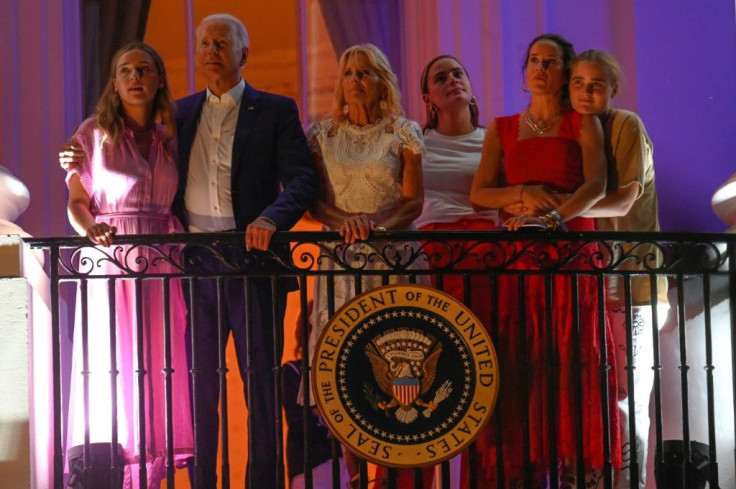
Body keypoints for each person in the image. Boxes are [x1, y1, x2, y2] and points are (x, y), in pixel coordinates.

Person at [173, 13, 317, 489]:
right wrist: (76, 158)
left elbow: (301, 178)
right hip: (197, 264)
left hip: (255, 261)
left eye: (223, 43)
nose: (213, 50)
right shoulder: (177, 113)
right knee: (200, 382)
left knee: (260, 380)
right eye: (206, 43)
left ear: (243, 54)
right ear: (197, 53)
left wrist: (270, 218)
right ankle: (202, 483)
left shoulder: (275, 109)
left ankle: (263, 483)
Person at [470, 34, 619, 488]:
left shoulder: (582, 123)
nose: (539, 68)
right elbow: (479, 194)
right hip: (518, 255)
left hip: (570, 247)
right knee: (523, 355)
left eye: (549, 62)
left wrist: (554, 215)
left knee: (572, 350)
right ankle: (528, 469)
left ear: (565, 72)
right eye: (533, 61)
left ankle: (578, 469)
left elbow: (595, 185)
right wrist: (520, 195)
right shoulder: (502, 127)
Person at [64, 42, 193, 489]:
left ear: (158, 80)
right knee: (113, 363)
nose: (135, 76)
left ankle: (154, 473)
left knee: (159, 364)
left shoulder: (170, 138)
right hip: (111, 259)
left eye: (144, 69)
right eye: (125, 70)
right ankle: (114, 472)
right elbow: (77, 204)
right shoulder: (91, 135)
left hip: (160, 260)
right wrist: (89, 231)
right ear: (115, 84)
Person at [304, 43, 425, 489]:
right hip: (338, 262)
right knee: (342, 369)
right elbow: (315, 202)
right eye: (349, 72)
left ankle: (391, 472)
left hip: (394, 261)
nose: (355, 79)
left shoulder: (405, 132)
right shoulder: (321, 136)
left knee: (396, 366)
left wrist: (375, 226)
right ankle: (356, 477)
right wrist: (348, 225)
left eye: (365, 72)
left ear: (382, 82)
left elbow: (413, 202)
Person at [378, 54, 498, 489]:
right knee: (425, 371)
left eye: (459, 73)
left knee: (482, 373)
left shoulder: (494, 139)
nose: (452, 81)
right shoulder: (415, 140)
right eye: (440, 78)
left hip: (486, 256)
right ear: (428, 97)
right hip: (430, 255)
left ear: (470, 85)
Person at [569, 49, 669, 489]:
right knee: (592, 397)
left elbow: (626, 198)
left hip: (633, 282)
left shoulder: (625, 124)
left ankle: (629, 483)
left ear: (613, 89)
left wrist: (559, 212)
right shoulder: (570, 128)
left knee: (627, 398)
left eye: (596, 84)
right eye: (578, 83)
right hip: (591, 282)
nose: (586, 92)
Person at [282, 301, 348, 489]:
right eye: (314, 328)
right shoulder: (294, 371)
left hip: (346, 464)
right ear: (304, 332)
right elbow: (301, 421)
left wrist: (323, 412)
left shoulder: (342, 372)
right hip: (310, 465)